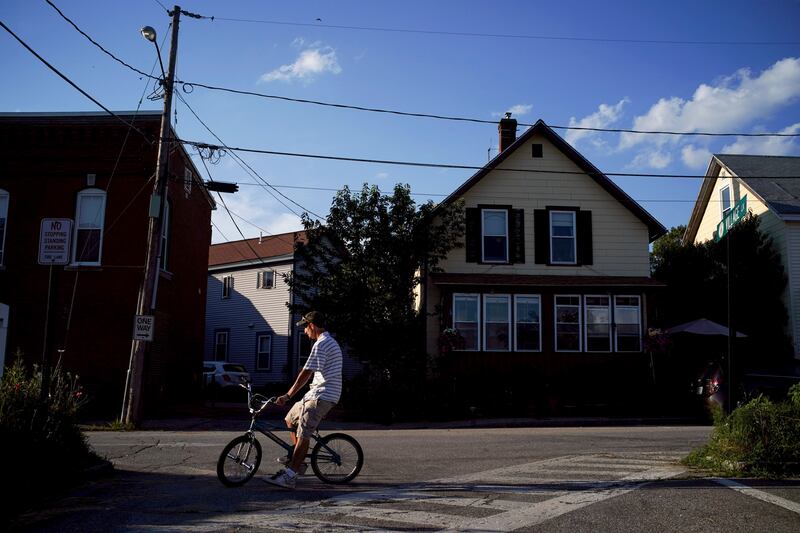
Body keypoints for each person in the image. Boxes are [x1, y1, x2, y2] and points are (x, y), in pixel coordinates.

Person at [264, 311, 342, 489]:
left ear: (312, 326)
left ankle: (291, 475)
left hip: (322, 396)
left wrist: (288, 395)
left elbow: (305, 374)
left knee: (303, 434)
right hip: (315, 394)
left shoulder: (322, 344)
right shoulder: (325, 342)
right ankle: (298, 461)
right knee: (290, 418)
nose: (305, 331)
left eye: (305, 327)